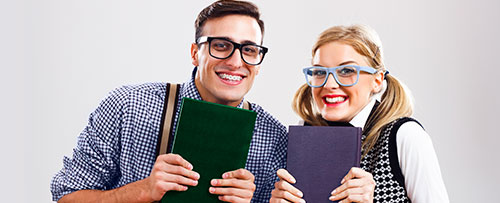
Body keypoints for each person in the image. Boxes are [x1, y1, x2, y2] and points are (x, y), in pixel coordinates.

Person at [50, 1, 287, 202]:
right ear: (195, 53)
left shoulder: (274, 138)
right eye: (221, 46)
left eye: (249, 50)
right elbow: (66, 196)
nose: (236, 62)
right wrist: (142, 191)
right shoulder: (128, 105)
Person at [270, 25, 449, 203]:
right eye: (319, 72)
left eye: (347, 71)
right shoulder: (306, 132)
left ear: (377, 81)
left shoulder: (404, 135)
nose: (329, 84)